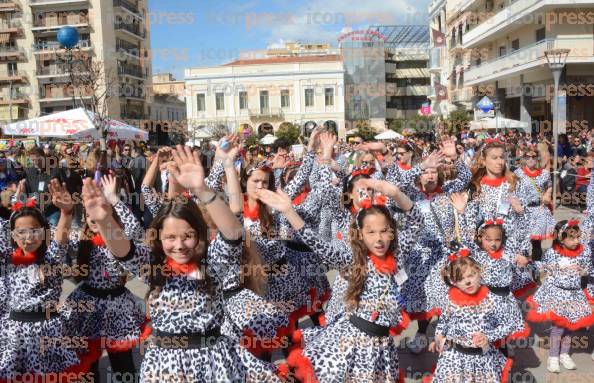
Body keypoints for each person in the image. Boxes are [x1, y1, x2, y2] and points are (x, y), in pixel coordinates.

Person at [82, 146, 251, 382]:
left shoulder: (213, 262)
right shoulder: (154, 266)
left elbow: (233, 233)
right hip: (164, 365)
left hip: (212, 363)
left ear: (200, 235)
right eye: (170, 238)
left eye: (188, 236)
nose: (179, 245)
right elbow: (124, 252)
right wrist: (104, 220)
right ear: (159, 238)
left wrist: (201, 189)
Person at [258, 175, 421, 382]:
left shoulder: (397, 255)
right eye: (370, 232)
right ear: (360, 234)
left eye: (383, 231)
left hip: (383, 345)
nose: (378, 239)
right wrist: (289, 211)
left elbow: (416, 221)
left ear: (391, 233)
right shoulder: (353, 261)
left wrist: (395, 193)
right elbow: (318, 244)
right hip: (355, 341)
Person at [0, 180, 96, 381]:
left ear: (44, 232)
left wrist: (67, 213)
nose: (28, 237)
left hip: (48, 332)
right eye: (21, 232)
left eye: (34, 230)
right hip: (15, 336)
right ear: (13, 235)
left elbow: (61, 237)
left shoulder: (51, 257)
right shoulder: (7, 260)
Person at [61, 174, 148, 382]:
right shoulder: (81, 240)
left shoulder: (119, 239)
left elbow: (135, 229)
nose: (94, 223)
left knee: (123, 360)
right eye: (90, 219)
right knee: (87, 363)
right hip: (87, 305)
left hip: (117, 305)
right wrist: (65, 212)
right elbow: (58, 243)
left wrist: (114, 199)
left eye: (98, 218)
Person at [426, 254, 513, 382]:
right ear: (454, 282)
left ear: (479, 271)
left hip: (482, 359)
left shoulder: (492, 299)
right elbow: (443, 321)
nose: (467, 281)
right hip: (455, 358)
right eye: (461, 279)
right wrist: (438, 337)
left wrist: (489, 336)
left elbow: (507, 326)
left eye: (471, 275)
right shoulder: (451, 300)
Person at [526, 220, 594, 373]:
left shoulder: (583, 252)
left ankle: (564, 354)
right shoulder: (552, 253)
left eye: (578, 237)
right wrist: (529, 262)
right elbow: (542, 267)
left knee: (571, 326)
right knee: (558, 327)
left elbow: (588, 269)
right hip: (558, 294)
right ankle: (553, 357)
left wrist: (581, 270)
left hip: (574, 294)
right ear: (561, 239)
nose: (576, 241)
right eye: (572, 238)